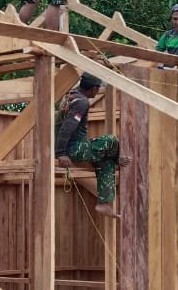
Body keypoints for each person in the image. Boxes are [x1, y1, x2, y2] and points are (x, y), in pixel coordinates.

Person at [55, 73, 130, 218]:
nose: (98, 91)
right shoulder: (82, 102)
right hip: (74, 149)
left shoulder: (70, 96)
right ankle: (118, 159)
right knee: (111, 140)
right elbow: (67, 127)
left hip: (72, 146)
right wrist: (61, 153)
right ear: (94, 88)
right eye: (98, 88)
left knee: (106, 162)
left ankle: (103, 203)